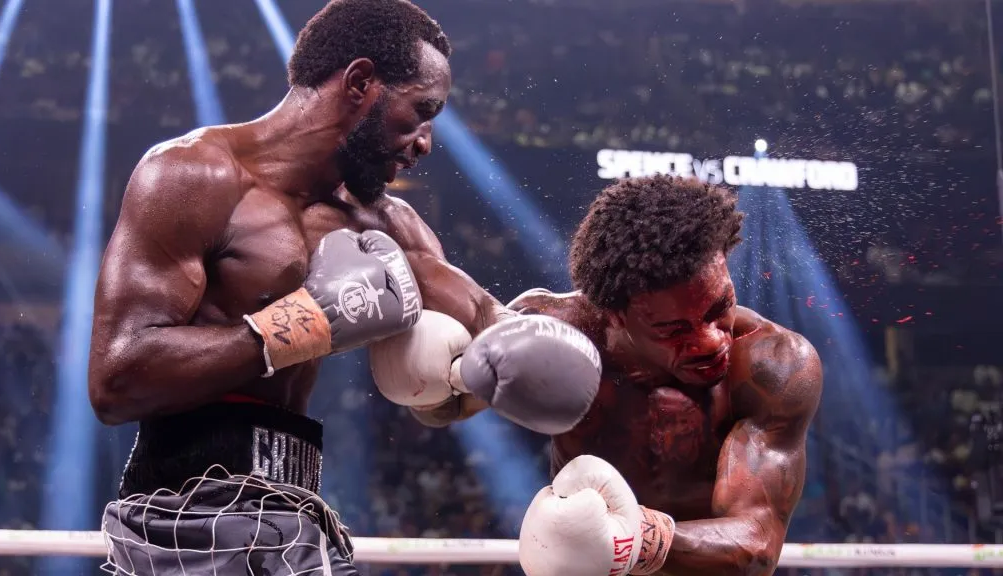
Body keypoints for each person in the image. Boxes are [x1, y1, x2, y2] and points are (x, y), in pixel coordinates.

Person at [88, 1, 598, 575]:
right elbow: (117, 379)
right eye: (420, 111)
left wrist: (462, 382)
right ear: (360, 83)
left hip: (296, 511)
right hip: (180, 516)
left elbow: (485, 318)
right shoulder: (193, 176)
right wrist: (306, 324)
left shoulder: (388, 226)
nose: (426, 142)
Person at [413, 174, 823, 576]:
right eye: (674, 330)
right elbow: (440, 412)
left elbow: (757, 545)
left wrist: (635, 539)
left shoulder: (772, 364)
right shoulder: (555, 335)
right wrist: (436, 382)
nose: (711, 342)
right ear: (615, 314)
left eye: (720, 309)